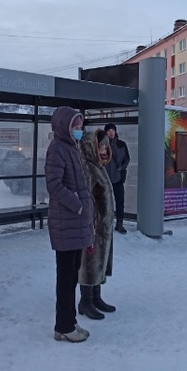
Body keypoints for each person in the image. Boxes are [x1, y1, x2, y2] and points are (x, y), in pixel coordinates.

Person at [45, 107, 94, 343]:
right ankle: (64, 325)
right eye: (75, 126)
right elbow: (54, 185)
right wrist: (77, 204)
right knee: (65, 278)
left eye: (80, 126)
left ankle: (68, 322)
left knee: (71, 277)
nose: (79, 130)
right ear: (64, 126)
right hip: (66, 223)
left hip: (75, 224)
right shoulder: (57, 149)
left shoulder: (71, 148)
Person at [77, 129, 116, 321]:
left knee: (100, 261)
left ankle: (96, 296)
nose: (104, 150)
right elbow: (85, 198)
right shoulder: (87, 167)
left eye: (106, 146)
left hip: (103, 226)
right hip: (93, 226)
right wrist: (91, 222)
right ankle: (85, 301)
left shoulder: (98, 166)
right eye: (100, 146)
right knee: (89, 263)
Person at [103, 123, 131, 234]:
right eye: (109, 130)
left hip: (118, 178)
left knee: (120, 201)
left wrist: (122, 167)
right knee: (105, 202)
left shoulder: (121, 144)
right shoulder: (102, 145)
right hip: (105, 178)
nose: (111, 132)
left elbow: (127, 158)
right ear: (106, 132)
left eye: (113, 130)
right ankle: (105, 223)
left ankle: (119, 224)